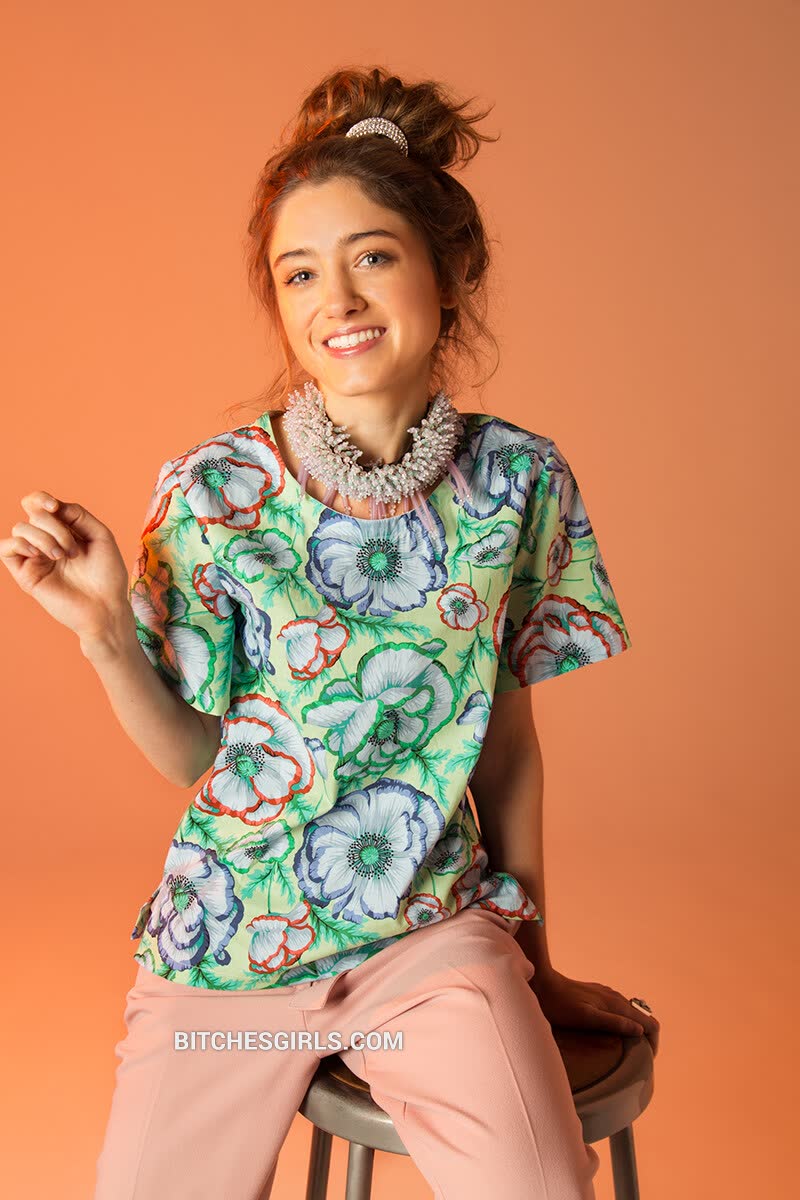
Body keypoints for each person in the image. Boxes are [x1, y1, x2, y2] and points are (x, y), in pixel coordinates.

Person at [2, 66, 658, 1200]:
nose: (337, 300)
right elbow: (201, 761)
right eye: (298, 272)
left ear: (449, 273)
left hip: (429, 948)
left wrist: (534, 966)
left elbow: (505, 752)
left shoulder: (519, 481)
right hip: (228, 948)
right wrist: (105, 629)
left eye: (373, 257)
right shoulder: (213, 493)